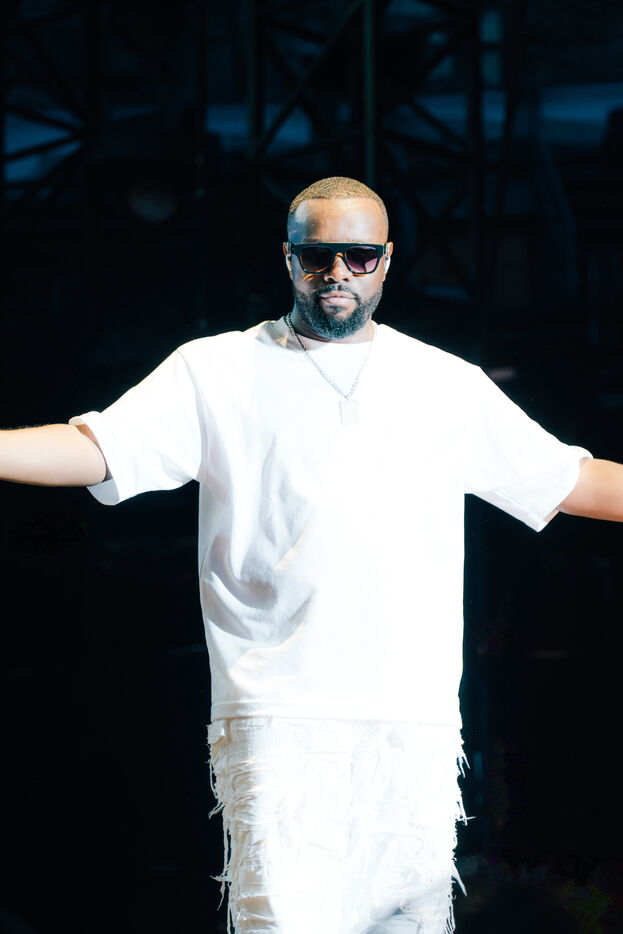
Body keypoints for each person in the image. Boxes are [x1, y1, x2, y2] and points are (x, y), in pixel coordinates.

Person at [1, 175, 621, 934]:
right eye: (317, 256)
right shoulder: (215, 370)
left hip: (410, 718)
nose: (337, 273)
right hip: (277, 712)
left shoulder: (444, 384)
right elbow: (96, 449)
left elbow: (570, 481)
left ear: (386, 260)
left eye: (358, 256)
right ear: (288, 259)